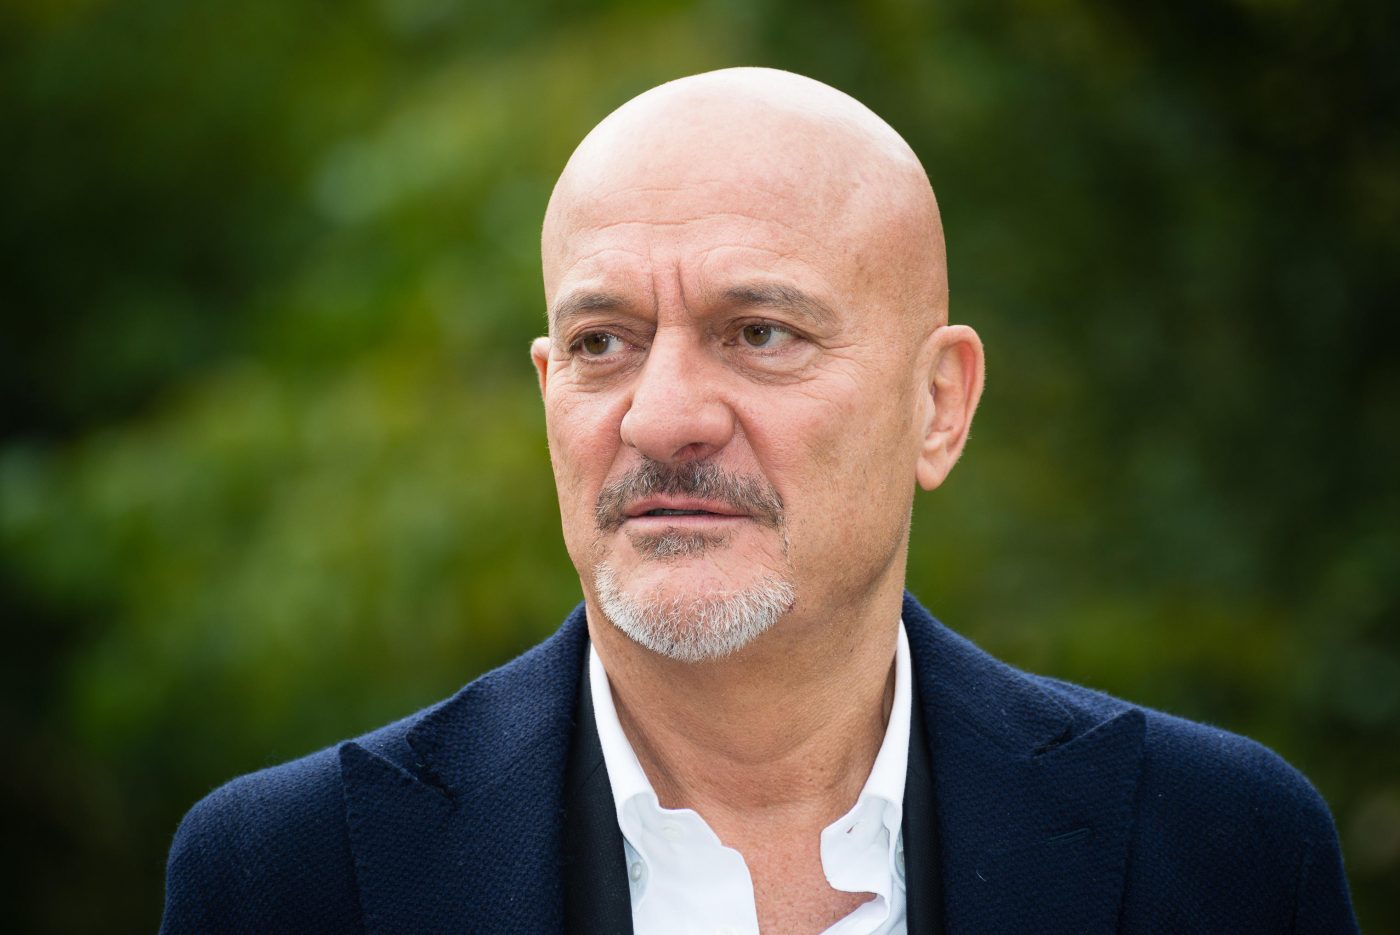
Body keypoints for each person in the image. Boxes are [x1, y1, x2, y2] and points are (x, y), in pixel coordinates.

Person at [159, 68, 1359, 934]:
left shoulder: (1218, 847)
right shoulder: (286, 876)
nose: (660, 415)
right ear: (546, 389)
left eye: (759, 331)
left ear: (937, 404)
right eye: (601, 341)